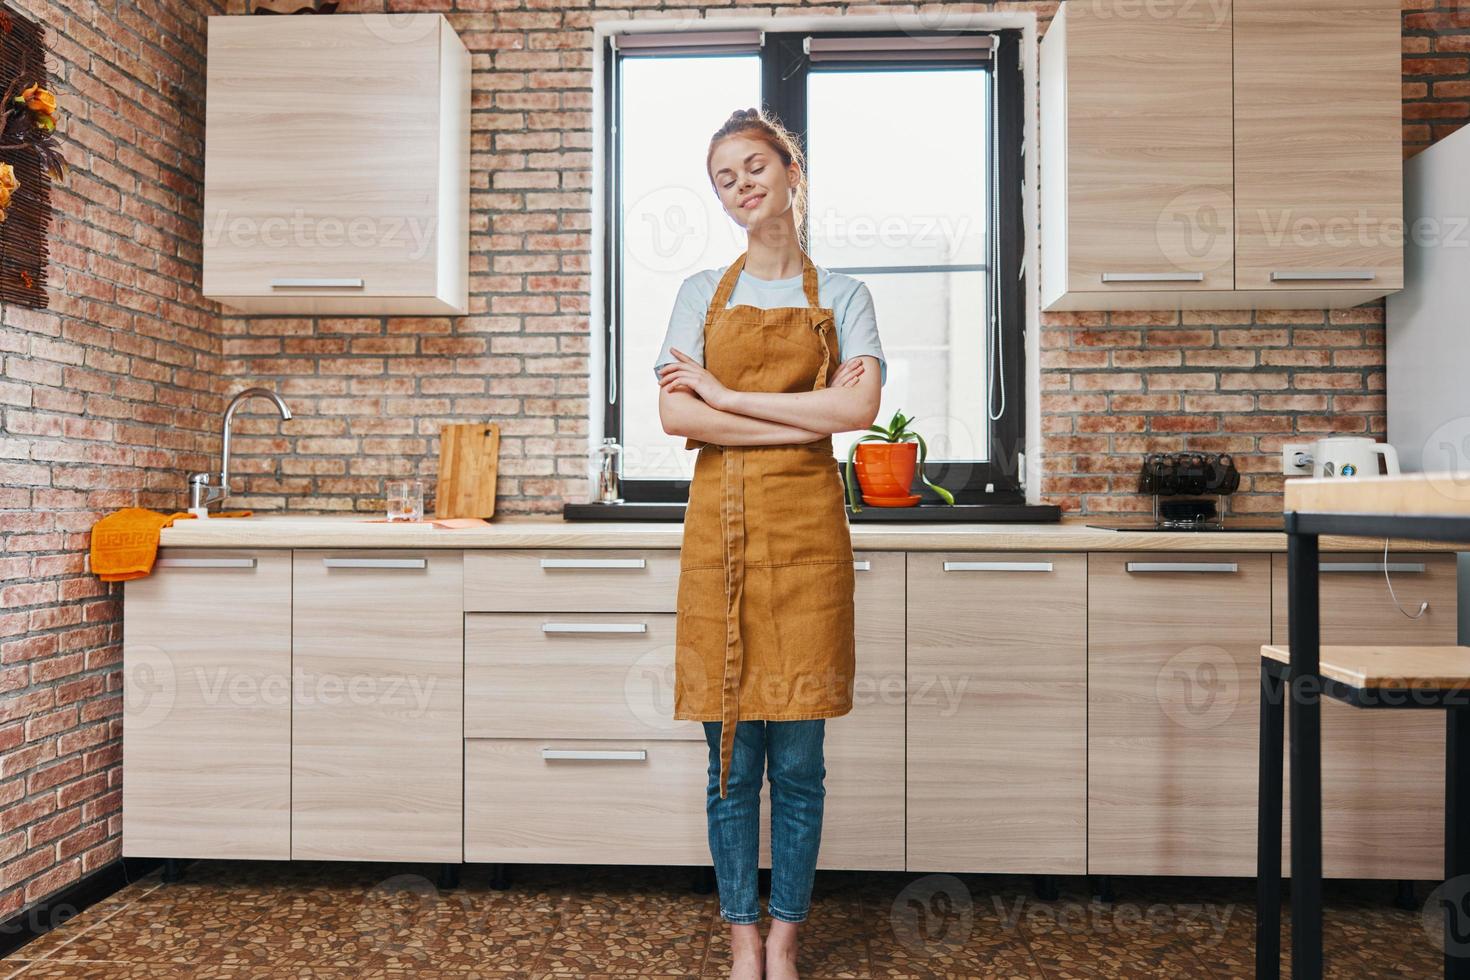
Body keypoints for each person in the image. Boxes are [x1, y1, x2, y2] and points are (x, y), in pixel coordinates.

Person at [652, 106, 886, 980]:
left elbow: (856, 413)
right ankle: (739, 934)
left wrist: (727, 399)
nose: (742, 184)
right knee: (728, 762)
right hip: (718, 537)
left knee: (798, 761)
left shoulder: (845, 298)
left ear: (791, 171)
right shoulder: (698, 296)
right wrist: (790, 417)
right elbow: (676, 413)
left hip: (807, 540)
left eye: (755, 166)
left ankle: (786, 935)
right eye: (724, 177)